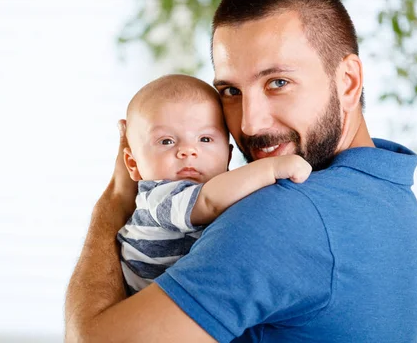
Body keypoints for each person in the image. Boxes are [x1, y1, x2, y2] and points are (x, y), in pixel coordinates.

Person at [65, 0, 417, 342]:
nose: (250, 123)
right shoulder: (394, 196)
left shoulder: (284, 215)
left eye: (278, 83)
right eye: (230, 91)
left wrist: (116, 199)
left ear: (348, 82)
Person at [118, 74, 311, 294]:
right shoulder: (158, 197)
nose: (188, 150)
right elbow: (209, 202)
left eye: (205, 139)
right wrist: (272, 168)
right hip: (152, 313)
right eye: (166, 141)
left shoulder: (224, 189)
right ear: (133, 165)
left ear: (228, 157)